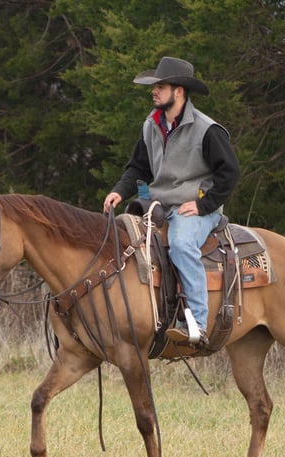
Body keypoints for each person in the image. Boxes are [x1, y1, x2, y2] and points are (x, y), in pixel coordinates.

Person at [103, 56, 240, 346]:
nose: (154, 91)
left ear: (179, 91)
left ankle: (198, 324)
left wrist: (204, 205)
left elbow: (230, 172)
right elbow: (138, 168)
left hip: (195, 208)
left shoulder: (207, 129)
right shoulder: (151, 125)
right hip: (159, 205)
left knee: (179, 244)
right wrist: (120, 191)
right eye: (154, 86)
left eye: (160, 86)